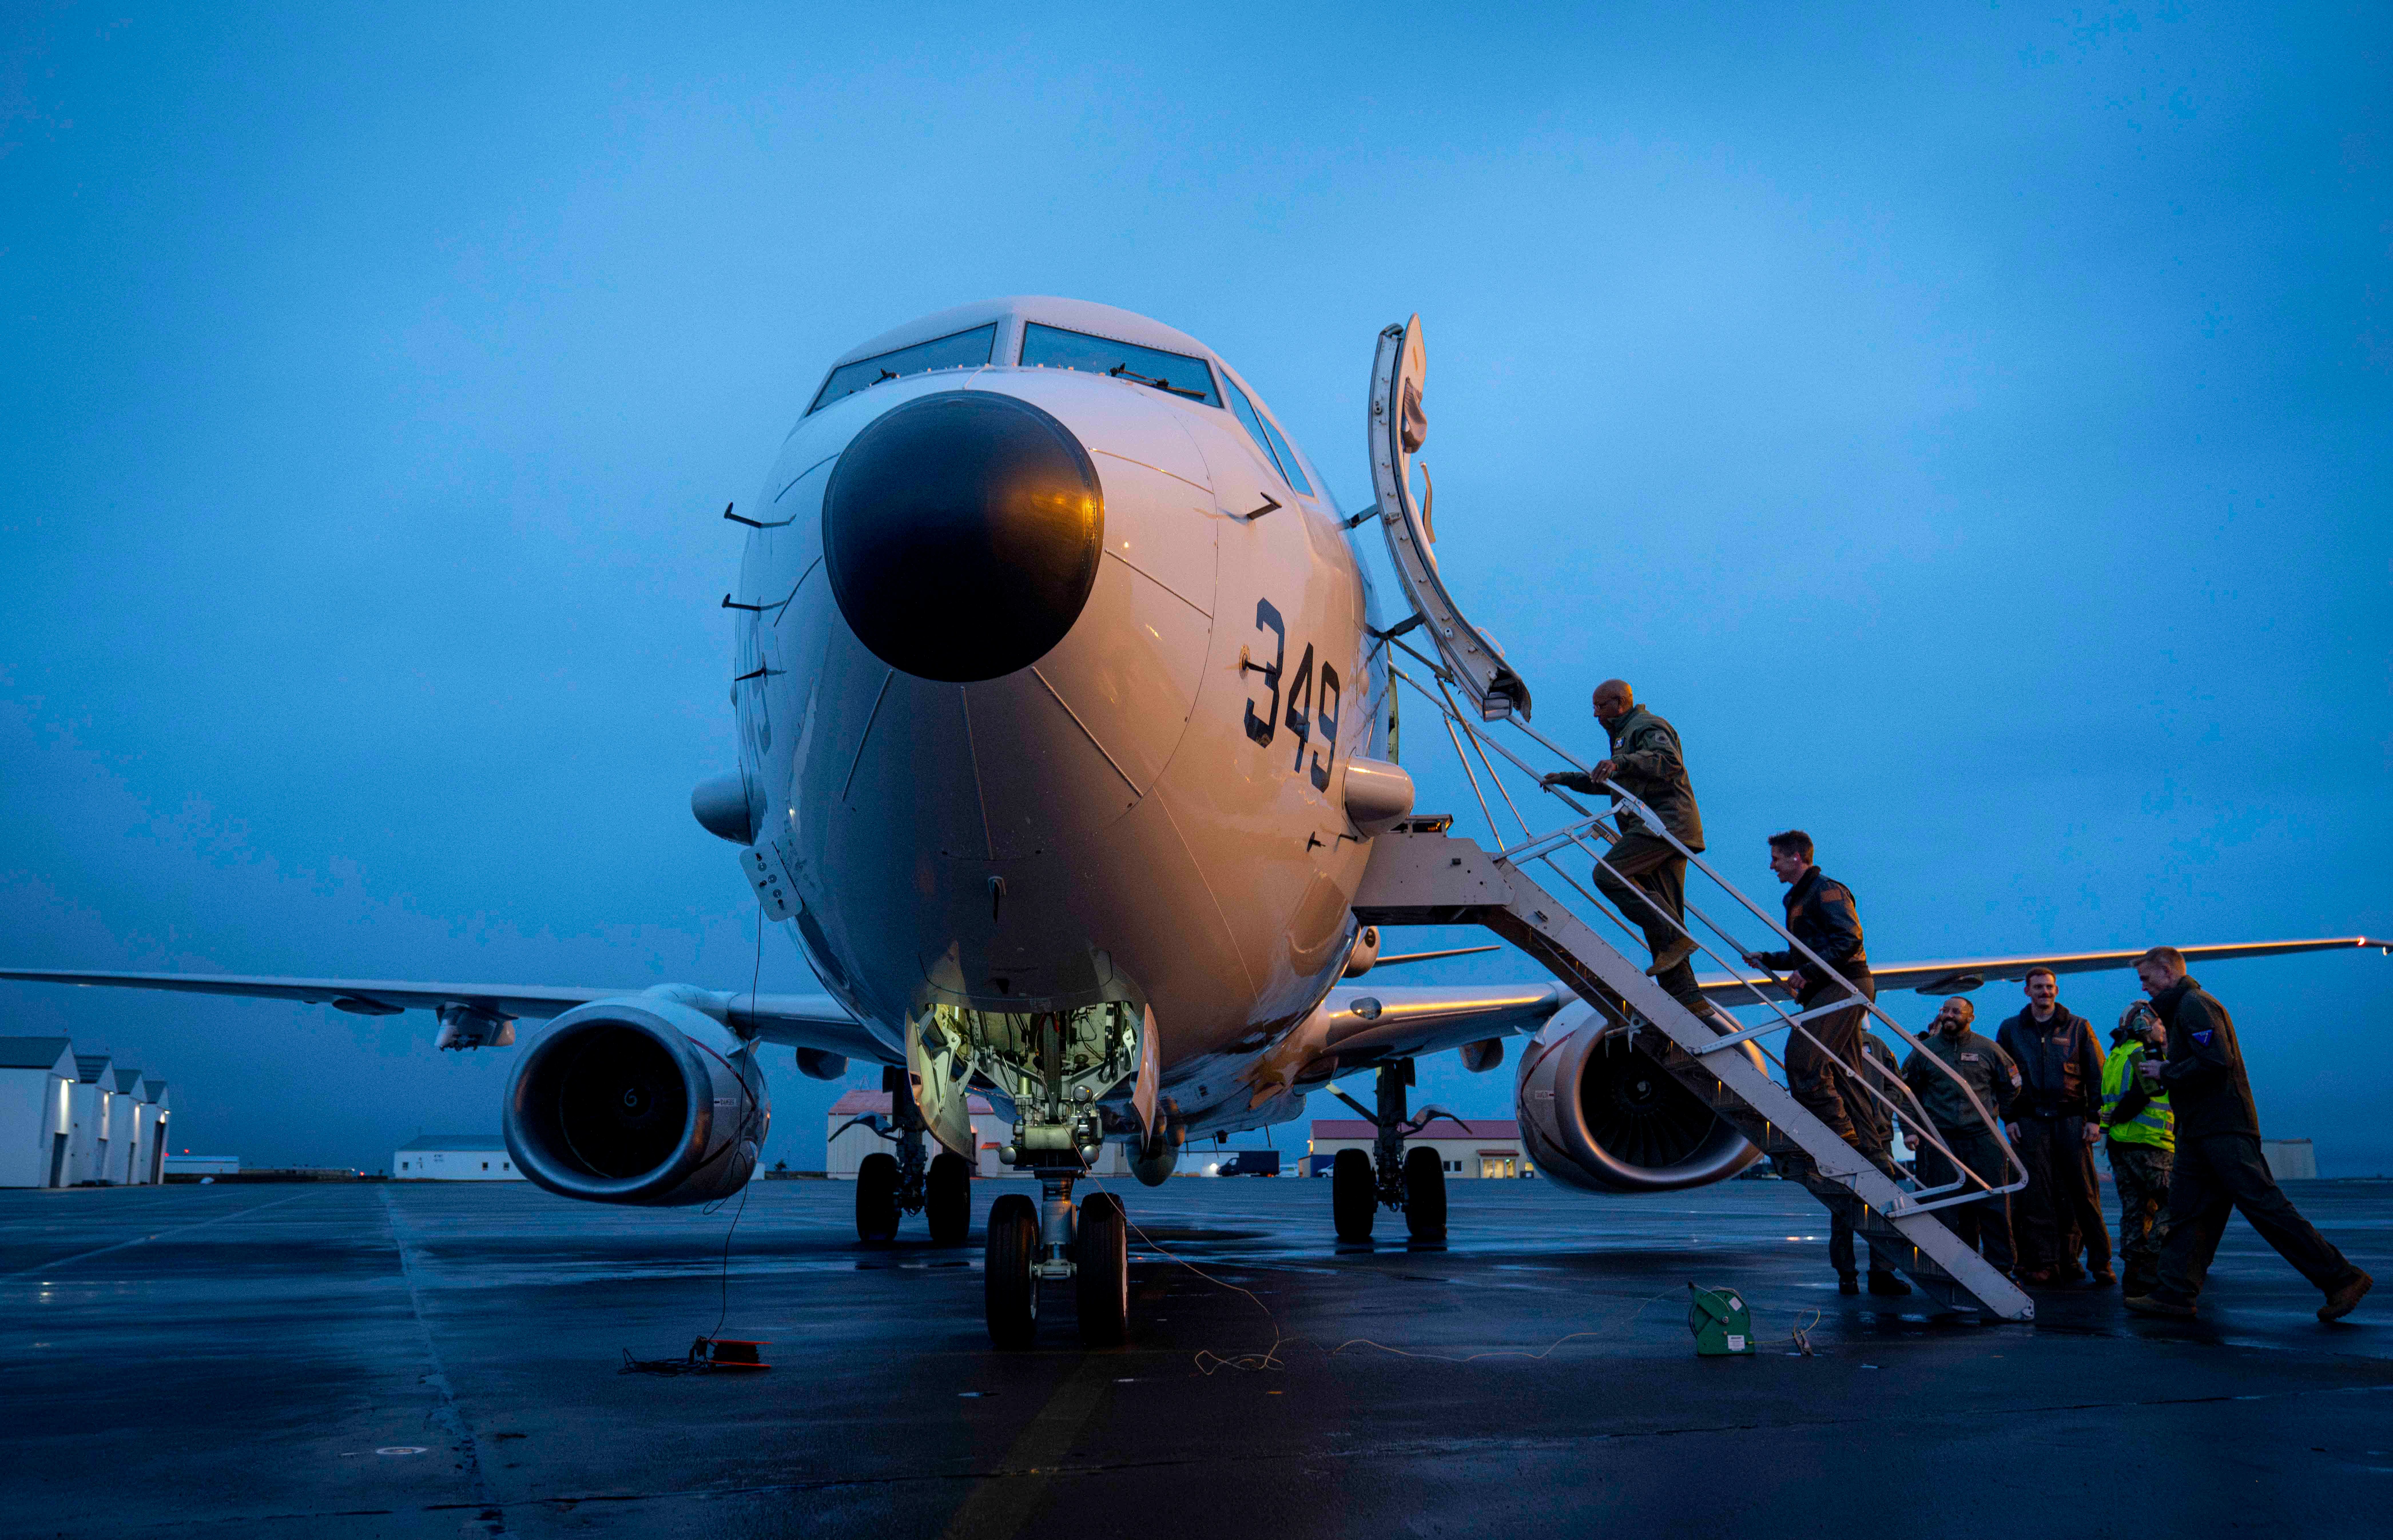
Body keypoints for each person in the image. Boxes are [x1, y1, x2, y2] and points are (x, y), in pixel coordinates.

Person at [2125, 948, 2373, 1322]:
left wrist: (2166, 1071)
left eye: (2147, 978)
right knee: (2187, 1213)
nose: (2144, 987)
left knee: (2263, 1205)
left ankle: (2343, 1278)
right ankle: (2174, 1293)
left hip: (2223, 1126)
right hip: (2198, 1130)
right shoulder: (2183, 1009)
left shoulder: (2196, 1005)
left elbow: (2216, 1060)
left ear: (2167, 971)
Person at [1540, 680, 1706, 1000]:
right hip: (1659, 828)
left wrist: (1621, 762)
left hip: (1664, 825)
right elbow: (1617, 782)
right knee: (1658, 912)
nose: (1595, 714)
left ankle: (1675, 937)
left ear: (1619, 703)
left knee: (1609, 875)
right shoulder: (1622, 737)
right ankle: (1688, 1001)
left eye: (1599, 706)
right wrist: (1568, 779)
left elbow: (1668, 761)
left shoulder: (1645, 726)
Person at [1740, 831, 1876, 1149]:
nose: (1772, 866)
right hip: (1828, 986)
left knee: (1803, 1060)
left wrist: (1808, 971)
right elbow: (1809, 952)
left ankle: (1841, 1139)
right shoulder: (1800, 896)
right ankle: (1871, 1148)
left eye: (1776, 858)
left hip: (1843, 984)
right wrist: (1770, 960)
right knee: (1846, 1076)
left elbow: (1848, 941)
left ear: (1796, 858)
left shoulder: (1826, 890)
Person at [1994, 968, 2113, 1286]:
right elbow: (2002, 1078)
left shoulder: (2078, 1027)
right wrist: (2010, 1119)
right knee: (2037, 1196)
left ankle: (2100, 1262)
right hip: (2031, 1122)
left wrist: (2093, 1118)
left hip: (2071, 1119)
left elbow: (2095, 1074)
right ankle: (2045, 1262)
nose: (2044, 992)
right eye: (2038, 987)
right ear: (2027, 992)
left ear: (2056, 990)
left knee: (2083, 1192)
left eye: (2049, 987)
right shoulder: (2011, 1029)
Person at [1900, 996, 2021, 1275]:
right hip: (1940, 1142)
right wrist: (1909, 1130)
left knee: (1993, 1205)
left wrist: (1998, 1113)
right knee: (1942, 1209)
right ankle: (1943, 1267)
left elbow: (2012, 1083)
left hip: (1982, 1139)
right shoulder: (1925, 1051)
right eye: (1945, 1010)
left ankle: (2001, 1267)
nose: (1950, 1015)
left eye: (1957, 1011)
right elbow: (1905, 1091)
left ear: (1971, 1017)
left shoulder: (1988, 1049)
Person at [1827, 1028, 1911, 1296]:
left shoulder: (1876, 1044)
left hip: (1878, 1135)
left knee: (1885, 1206)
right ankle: (1847, 1275)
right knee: (1844, 1209)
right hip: (1842, 1138)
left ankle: (1882, 1272)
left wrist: (1882, 1113)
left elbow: (1895, 1084)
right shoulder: (1826, 1039)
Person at [2099, 1000, 2175, 1298]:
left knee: (2134, 1209)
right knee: (2173, 1204)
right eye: (2159, 1025)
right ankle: (2154, 1262)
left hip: (2120, 1145)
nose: (2163, 1030)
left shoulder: (2116, 1055)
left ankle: (2133, 1268)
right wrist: (2120, 1114)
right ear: (2144, 1026)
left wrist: (2113, 1118)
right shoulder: (2144, 1053)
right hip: (2150, 1144)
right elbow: (2145, 1093)